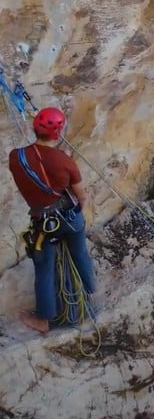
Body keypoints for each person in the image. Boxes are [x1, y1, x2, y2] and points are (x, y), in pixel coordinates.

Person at [7, 107, 97, 333]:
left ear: (34, 127)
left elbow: (38, 165)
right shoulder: (65, 161)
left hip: (44, 223)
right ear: (58, 133)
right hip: (70, 219)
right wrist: (64, 161)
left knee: (44, 267)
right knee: (79, 253)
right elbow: (81, 197)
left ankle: (44, 320)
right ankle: (88, 293)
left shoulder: (16, 157)